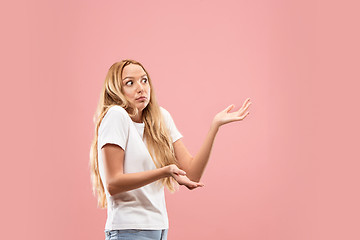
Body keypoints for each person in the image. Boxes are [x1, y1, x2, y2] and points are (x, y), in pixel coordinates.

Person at [89, 59, 252, 240]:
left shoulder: (161, 118)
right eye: (130, 83)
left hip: (159, 229)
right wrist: (164, 171)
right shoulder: (116, 115)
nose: (141, 88)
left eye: (144, 80)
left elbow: (192, 175)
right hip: (129, 229)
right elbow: (113, 183)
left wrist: (215, 126)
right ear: (115, 90)